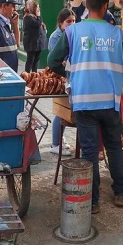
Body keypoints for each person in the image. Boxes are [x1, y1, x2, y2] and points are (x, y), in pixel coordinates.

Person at [48, 0, 123, 214]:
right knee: (114, 147)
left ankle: (93, 201)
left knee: (89, 152)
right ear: (106, 6)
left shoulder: (73, 32)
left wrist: (69, 73)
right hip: (110, 100)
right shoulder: (118, 35)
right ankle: (120, 192)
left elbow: (52, 59)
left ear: (86, 6)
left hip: (84, 100)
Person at [47, 8, 76, 156]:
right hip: (60, 78)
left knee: (64, 111)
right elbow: (55, 59)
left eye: (74, 21)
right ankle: (55, 143)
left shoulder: (74, 35)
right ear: (60, 23)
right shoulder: (55, 37)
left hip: (70, 77)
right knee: (60, 111)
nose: (71, 24)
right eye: (68, 21)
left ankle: (59, 139)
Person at [23, 0, 45, 73]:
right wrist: (39, 16)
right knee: (30, 61)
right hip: (32, 44)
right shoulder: (28, 17)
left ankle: (34, 75)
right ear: (32, 8)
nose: (38, 9)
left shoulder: (35, 17)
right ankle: (27, 75)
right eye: (37, 7)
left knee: (36, 61)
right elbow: (36, 25)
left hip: (38, 43)